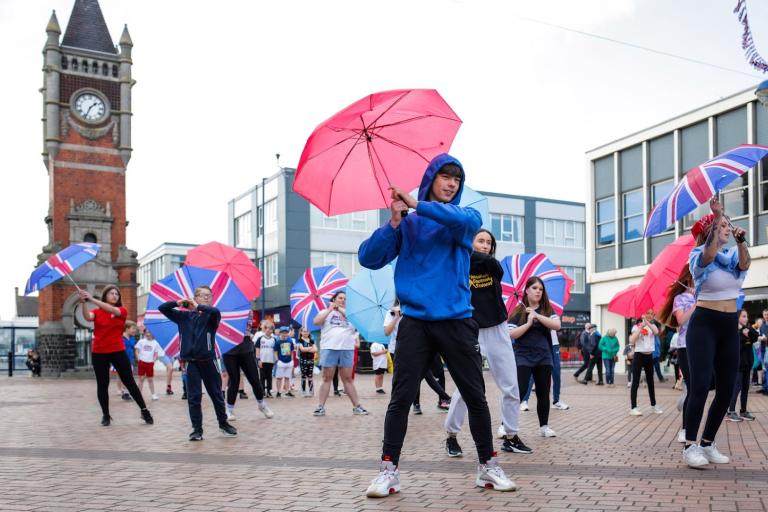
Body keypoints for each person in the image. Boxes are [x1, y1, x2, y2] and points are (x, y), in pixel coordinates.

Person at [360, 154, 516, 497]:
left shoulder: (464, 220)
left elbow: (463, 218)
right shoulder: (408, 223)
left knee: (475, 397)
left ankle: (488, 467)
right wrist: (394, 224)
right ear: (431, 178)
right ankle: (388, 471)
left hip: (457, 321)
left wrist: (417, 203)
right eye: (445, 177)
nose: (451, 184)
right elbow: (368, 258)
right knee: (400, 399)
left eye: (456, 179)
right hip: (415, 322)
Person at [445, 229, 531, 458]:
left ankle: (511, 436)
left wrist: (466, 249)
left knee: (511, 386)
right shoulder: (456, 266)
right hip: (469, 331)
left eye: (488, 243)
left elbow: (492, 266)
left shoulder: (492, 266)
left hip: (497, 328)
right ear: (470, 243)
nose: (485, 245)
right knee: (465, 389)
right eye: (480, 241)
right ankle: (451, 436)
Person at [682, 197, 749, 468]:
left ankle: (708, 443)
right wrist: (717, 215)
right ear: (710, 230)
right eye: (721, 225)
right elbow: (708, 255)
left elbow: (744, 265)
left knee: (726, 388)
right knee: (699, 387)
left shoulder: (732, 255)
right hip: (704, 324)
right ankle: (689, 446)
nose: (727, 227)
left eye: (727, 224)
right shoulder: (698, 255)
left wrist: (741, 241)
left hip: (728, 325)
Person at [158, 286, 237, 441]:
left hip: (209, 361)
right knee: (194, 397)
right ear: (196, 297)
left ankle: (223, 424)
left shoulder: (211, 316)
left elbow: (215, 311)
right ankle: (197, 430)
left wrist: (198, 306)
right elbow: (162, 308)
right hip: (190, 362)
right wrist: (178, 302)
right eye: (203, 295)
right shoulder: (183, 316)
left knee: (216, 394)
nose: (207, 298)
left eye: (209, 295)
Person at [79, 287, 153, 426]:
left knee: (129, 382)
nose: (114, 296)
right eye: (111, 293)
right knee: (102, 384)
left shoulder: (122, 311)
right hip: (99, 352)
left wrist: (91, 299)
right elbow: (88, 317)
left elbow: (113, 310)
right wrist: (83, 302)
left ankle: (144, 410)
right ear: (105, 295)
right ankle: (106, 415)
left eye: (116, 294)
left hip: (117, 350)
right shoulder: (96, 311)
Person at [510, 276, 561, 439]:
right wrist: (528, 323)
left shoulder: (547, 309)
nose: (538, 291)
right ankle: (507, 425)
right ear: (526, 290)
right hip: (523, 356)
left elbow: (557, 325)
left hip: (544, 356)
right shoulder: (518, 311)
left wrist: (537, 316)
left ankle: (544, 426)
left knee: (543, 391)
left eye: (540, 289)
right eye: (534, 288)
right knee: (519, 390)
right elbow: (511, 334)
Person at [312, 291, 368, 416]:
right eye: (340, 298)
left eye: (345, 299)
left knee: (348, 379)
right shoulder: (325, 312)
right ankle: (320, 407)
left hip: (347, 348)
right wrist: (329, 310)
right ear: (334, 299)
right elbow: (316, 322)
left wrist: (340, 309)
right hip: (329, 348)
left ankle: (357, 406)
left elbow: (358, 324)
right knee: (327, 377)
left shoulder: (351, 315)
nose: (342, 300)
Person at [658, 264, 695, 443]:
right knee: (693, 387)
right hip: (685, 347)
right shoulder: (680, 299)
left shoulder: (705, 295)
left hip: (704, 347)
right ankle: (686, 430)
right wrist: (697, 305)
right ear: (689, 278)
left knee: (701, 388)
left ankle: (684, 401)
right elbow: (681, 319)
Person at [223, 320, 274, 421]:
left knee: (254, 379)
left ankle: (262, 405)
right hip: (229, 348)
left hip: (245, 347)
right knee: (234, 380)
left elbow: (247, 327)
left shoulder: (245, 308)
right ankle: (229, 409)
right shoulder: (223, 309)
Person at [726, 310, 757, 422]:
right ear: (738, 317)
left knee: (745, 388)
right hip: (737, 364)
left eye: (747, 316)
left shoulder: (748, 328)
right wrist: (743, 334)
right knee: (737, 387)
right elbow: (737, 345)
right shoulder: (734, 330)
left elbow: (755, 336)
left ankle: (743, 411)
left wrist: (747, 333)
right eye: (744, 316)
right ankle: (730, 411)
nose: (746, 318)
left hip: (748, 363)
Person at [628, 310, 661, 416]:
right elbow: (632, 340)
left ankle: (653, 406)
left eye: (652, 313)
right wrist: (641, 327)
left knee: (651, 382)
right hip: (639, 355)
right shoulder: (636, 327)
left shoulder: (653, 326)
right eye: (648, 313)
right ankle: (633, 408)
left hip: (649, 356)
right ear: (643, 314)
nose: (650, 315)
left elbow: (656, 332)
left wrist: (647, 323)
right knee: (636, 381)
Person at [135, 328, 163, 401]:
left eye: (149, 332)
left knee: (150, 379)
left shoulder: (155, 343)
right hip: (142, 362)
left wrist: (153, 360)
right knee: (141, 379)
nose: (148, 334)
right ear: (144, 333)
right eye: (146, 332)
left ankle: (153, 394)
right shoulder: (141, 341)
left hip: (150, 363)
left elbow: (156, 353)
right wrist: (138, 359)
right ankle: (138, 395)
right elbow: (137, 350)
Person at [117, 321, 139, 401]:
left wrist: (137, 358)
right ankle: (125, 392)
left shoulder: (132, 338)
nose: (135, 331)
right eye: (133, 329)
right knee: (126, 376)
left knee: (128, 376)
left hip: (130, 360)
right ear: (127, 328)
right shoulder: (120, 337)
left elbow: (135, 349)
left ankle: (125, 392)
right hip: (121, 359)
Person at [255, 322, 277, 398]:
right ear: (264, 329)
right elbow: (257, 350)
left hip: (270, 361)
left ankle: (269, 392)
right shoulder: (260, 339)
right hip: (262, 361)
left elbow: (275, 351)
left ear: (272, 330)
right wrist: (258, 360)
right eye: (266, 328)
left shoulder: (274, 339)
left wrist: (275, 359)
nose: (268, 330)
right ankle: (262, 392)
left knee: (269, 377)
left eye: (270, 328)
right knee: (262, 377)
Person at [275, 326, 296, 398]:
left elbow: (292, 351)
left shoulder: (290, 341)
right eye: (283, 332)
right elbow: (275, 351)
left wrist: (292, 360)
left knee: (287, 377)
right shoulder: (277, 341)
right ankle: (278, 392)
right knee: (279, 378)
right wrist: (277, 360)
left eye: (286, 332)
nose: (284, 334)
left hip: (289, 361)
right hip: (281, 361)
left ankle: (287, 391)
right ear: (280, 333)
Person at [297, 327, 317, 397]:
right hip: (303, 360)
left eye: (307, 331)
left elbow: (315, 350)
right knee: (303, 376)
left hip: (311, 360)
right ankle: (303, 391)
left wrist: (307, 349)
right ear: (301, 332)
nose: (306, 333)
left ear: (309, 332)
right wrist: (311, 348)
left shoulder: (311, 340)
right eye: (304, 331)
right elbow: (302, 349)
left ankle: (311, 391)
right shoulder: (300, 340)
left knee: (310, 376)